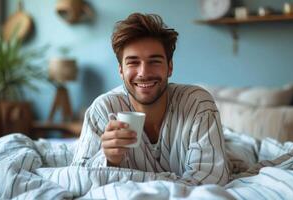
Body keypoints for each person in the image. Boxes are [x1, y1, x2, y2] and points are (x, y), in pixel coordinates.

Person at [71, 13, 230, 186]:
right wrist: (108, 159)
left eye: (154, 61)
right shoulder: (103, 109)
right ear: (121, 70)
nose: (144, 73)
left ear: (170, 68)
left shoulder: (197, 103)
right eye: (133, 62)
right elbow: (79, 177)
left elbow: (211, 179)